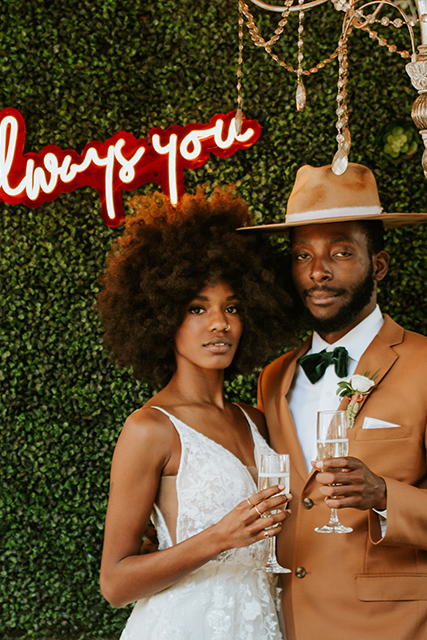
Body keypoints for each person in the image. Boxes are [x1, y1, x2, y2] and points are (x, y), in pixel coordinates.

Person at [240, 163, 427, 640]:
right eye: (302, 256)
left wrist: (383, 495)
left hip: (393, 629)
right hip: (286, 625)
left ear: (378, 264)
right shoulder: (274, 377)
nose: (318, 272)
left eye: (340, 252)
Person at [97, 188, 297, 639]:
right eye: (197, 308)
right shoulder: (150, 429)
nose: (219, 323)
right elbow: (115, 583)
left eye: (233, 308)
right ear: (163, 318)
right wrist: (220, 537)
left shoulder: (257, 419)